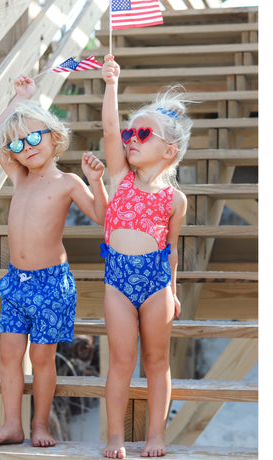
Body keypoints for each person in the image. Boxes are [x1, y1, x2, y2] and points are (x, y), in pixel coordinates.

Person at [0, 74, 108, 447]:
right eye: (18, 144)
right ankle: (12, 424)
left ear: (54, 137)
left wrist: (96, 181)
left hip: (51, 284)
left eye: (34, 137)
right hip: (16, 282)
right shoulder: (19, 176)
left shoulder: (68, 182)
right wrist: (21, 98)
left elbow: (102, 217)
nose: (26, 147)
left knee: (41, 357)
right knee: (9, 354)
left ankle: (40, 425)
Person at [100, 55, 193, 458]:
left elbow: (171, 249)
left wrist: (173, 290)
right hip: (118, 282)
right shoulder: (120, 177)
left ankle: (156, 435)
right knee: (121, 360)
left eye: (142, 133)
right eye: (129, 132)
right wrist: (111, 85)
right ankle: (115, 437)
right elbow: (108, 127)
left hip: (156, 284)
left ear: (168, 151)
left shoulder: (175, 200)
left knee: (157, 361)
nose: (130, 139)